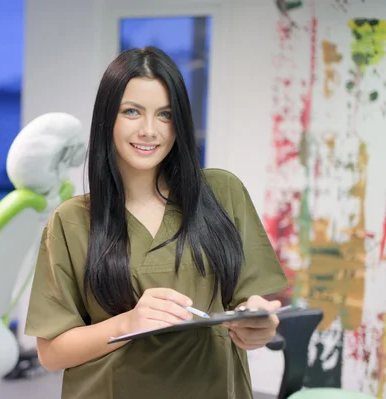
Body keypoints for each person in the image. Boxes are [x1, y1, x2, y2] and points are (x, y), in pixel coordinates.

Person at [24, 46, 289, 399]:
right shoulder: (72, 222)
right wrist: (129, 323)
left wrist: (258, 323)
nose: (149, 130)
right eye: (132, 111)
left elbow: (251, 302)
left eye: (165, 115)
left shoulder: (222, 193)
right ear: (107, 119)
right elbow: (51, 353)